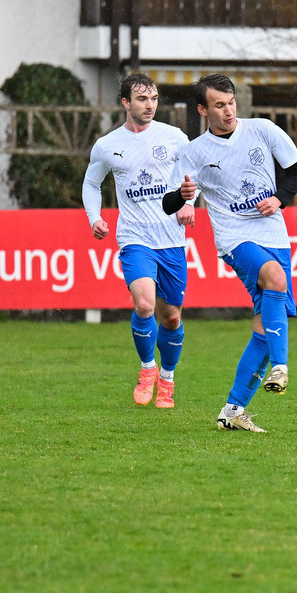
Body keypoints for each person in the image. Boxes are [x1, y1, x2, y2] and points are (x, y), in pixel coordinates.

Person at [163, 73, 297, 433]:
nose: (228, 111)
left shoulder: (263, 130)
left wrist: (279, 199)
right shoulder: (195, 152)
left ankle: (233, 409)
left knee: (263, 326)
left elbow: (295, 173)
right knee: (275, 277)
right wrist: (183, 196)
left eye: (231, 103)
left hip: (273, 232)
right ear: (203, 109)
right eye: (219, 105)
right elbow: (168, 202)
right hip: (234, 237)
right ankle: (282, 366)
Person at [82, 73, 195, 409]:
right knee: (145, 305)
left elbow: (195, 174)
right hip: (134, 237)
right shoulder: (107, 145)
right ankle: (148, 369)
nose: (150, 105)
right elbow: (91, 184)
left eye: (154, 99)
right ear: (126, 103)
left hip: (171, 239)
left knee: (171, 316)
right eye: (142, 99)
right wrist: (95, 217)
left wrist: (189, 203)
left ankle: (167, 379)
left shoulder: (174, 137)